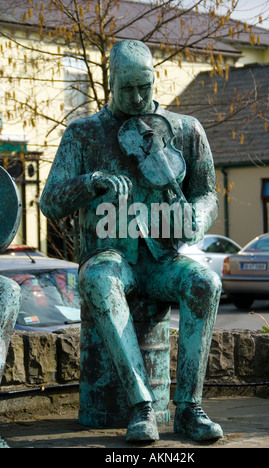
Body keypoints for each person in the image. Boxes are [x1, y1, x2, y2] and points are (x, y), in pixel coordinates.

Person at [40, 40, 223, 443]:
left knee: (206, 283)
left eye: (146, 87)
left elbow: (207, 193)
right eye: (127, 89)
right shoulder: (83, 134)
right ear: (111, 83)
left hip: (162, 260)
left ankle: (189, 408)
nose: (138, 98)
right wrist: (90, 183)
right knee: (101, 282)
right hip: (110, 255)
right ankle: (142, 407)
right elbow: (49, 201)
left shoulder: (186, 129)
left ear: (155, 80)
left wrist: (199, 214)